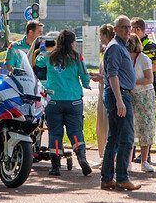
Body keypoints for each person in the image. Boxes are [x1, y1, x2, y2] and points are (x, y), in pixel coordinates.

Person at [36, 30, 93, 176]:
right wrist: (86, 84)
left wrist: (45, 48)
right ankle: (81, 157)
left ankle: (55, 167)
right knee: (75, 131)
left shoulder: (50, 55)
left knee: (55, 133)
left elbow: (38, 62)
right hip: (73, 100)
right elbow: (84, 75)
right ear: (73, 42)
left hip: (53, 100)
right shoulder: (76, 57)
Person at [100, 16, 141, 191]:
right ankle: (122, 177)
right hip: (120, 95)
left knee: (114, 138)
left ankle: (108, 178)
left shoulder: (120, 46)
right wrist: (119, 100)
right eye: (123, 27)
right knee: (126, 137)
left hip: (120, 94)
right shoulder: (116, 47)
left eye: (129, 27)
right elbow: (113, 75)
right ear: (115, 29)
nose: (127, 30)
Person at [130, 17, 156, 164]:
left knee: (146, 124)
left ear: (138, 29)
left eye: (131, 28)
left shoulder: (149, 46)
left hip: (145, 91)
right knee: (134, 125)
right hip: (134, 92)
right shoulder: (128, 54)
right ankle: (133, 156)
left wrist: (138, 74)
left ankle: (145, 157)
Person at [127, 34, 156, 173]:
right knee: (129, 128)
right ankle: (128, 162)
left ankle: (144, 161)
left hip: (145, 95)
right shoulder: (125, 57)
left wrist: (132, 82)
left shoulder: (144, 59)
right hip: (130, 94)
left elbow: (149, 79)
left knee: (145, 126)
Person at [91, 24, 114, 158]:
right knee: (102, 124)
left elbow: (113, 75)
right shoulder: (107, 50)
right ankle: (105, 155)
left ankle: (108, 157)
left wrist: (100, 77)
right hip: (103, 90)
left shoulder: (111, 50)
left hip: (107, 91)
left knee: (106, 125)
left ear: (105, 36)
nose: (99, 39)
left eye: (100, 35)